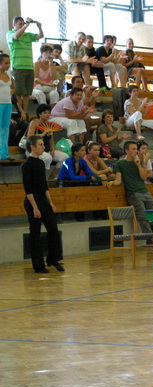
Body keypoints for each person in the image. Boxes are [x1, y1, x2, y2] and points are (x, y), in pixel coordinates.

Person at [22, 135, 64, 273]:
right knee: (35, 233)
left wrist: (50, 202)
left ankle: (53, 259)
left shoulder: (41, 163)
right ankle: (38, 265)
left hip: (43, 200)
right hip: (33, 201)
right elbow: (28, 189)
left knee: (53, 229)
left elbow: (44, 185)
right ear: (32, 147)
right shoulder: (27, 165)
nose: (43, 147)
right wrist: (35, 207)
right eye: (40, 145)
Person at [106, 140, 153, 235]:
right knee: (142, 216)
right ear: (127, 151)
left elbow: (144, 178)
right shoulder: (120, 163)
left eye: (136, 149)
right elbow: (118, 180)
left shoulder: (139, 162)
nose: (136, 151)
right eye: (133, 149)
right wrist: (112, 182)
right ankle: (150, 237)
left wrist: (140, 164)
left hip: (145, 191)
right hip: (134, 193)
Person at [7, 16, 44, 120]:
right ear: (14, 24)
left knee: (27, 93)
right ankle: (20, 113)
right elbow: (16, 36)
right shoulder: (10, 33)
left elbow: (40, 36)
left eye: (23, 23)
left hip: (29, 67)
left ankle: (25, 113)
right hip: (18, 67)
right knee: (18, 92)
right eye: (20, 24)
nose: (22, 25)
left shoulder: (28, 35)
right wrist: (26, 25)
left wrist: (39, 27)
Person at [25, 104, 69, 169]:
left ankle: (53, 174)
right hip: (34, 150)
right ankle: (41, 173)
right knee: (47, 157)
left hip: (46, 149)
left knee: (65, 157)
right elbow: (29, 136)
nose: (47, 115)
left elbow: (51, 140)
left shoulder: (50, 124)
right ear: (39, 114)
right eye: (45, 113)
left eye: (49, 113)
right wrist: (42, 134)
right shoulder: (34, 122)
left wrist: (52, 149)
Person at [0, 54, 12, 161]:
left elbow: (13, 87)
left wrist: (11, 92)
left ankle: (4, 154)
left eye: (9, 63)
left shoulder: (9, 76)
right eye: (6, 63)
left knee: (5, 129)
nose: (8, 65)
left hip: (8, 104)